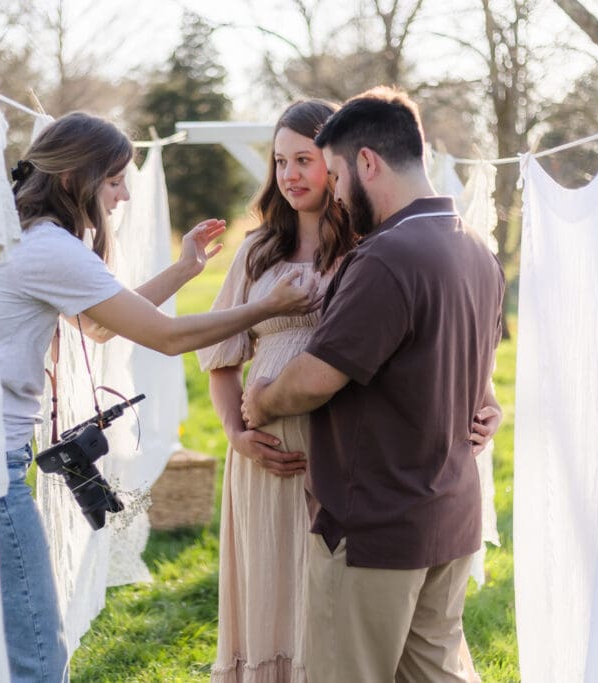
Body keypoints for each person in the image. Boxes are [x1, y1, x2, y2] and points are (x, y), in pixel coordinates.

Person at [0, 111, 319, 683]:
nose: (124, 195)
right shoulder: (46, 247)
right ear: (73, 180)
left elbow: (101, 325)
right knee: (38, 656)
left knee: (11, 642)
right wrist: (268, 306)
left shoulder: (12, 231)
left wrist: (185, 269)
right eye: (114, 180)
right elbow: (166, 338)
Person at [241, 87, 505, 683]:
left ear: (367, 163)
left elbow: (314, 379)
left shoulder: (386, 257)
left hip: (375, 525)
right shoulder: (476, 250)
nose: (334, 191)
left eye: (334, 173)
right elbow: (474, 374)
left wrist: (261, 399)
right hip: (450, 514)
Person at [197, 99, 355, 681]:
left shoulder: (366, 245)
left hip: (339, 448)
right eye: (280, 161)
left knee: (328, 591)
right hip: (266, 460)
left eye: (304, 160)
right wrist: (235, 435)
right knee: (270, 585)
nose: (289, 175)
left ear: (336, 162)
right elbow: (221, 360)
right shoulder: (257, 250)